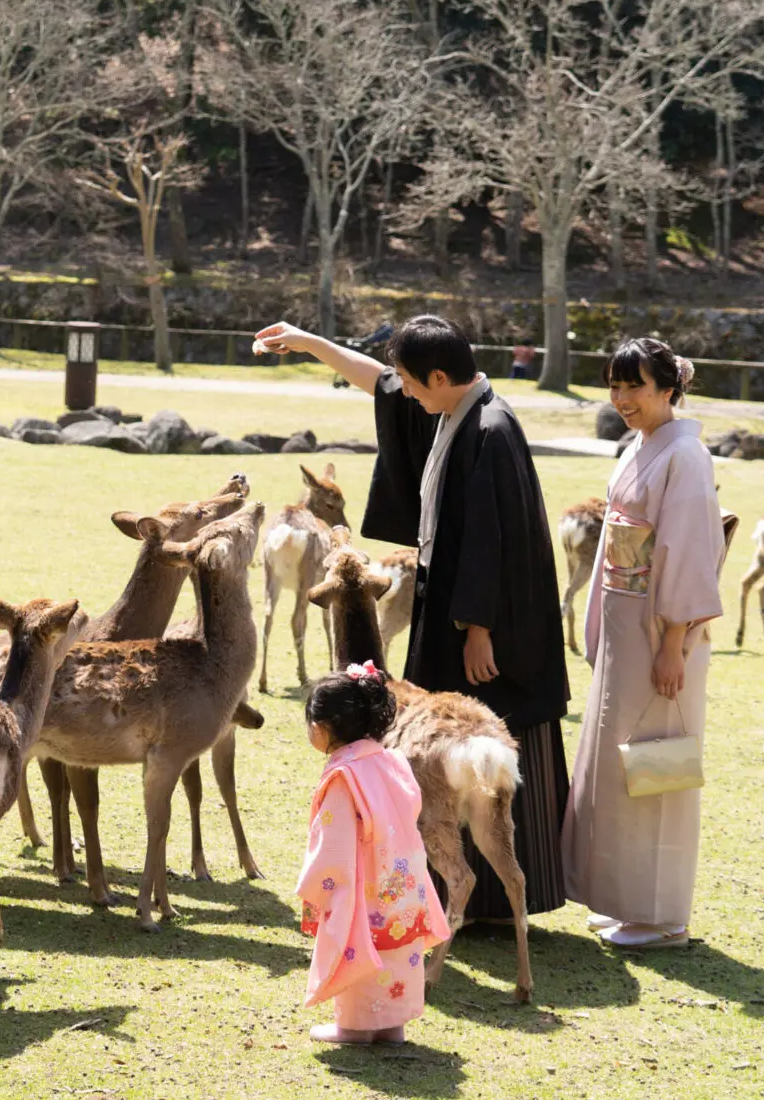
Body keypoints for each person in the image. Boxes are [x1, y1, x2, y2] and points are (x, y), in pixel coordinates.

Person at [254, 314, 572, 923]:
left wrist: (479, 628)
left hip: (489, 626)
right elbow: (382, 384)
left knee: (489, 740)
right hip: (448, 605)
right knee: (442, 750)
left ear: (439, 375)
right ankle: (454, 898)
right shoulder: (453, 409)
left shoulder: (491, 429)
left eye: (412, 381)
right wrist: (312, 343)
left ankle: (492, 907)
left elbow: (491, 540)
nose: (406, 394)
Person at [561, 339, 726, 950]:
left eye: (636, 386)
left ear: (668, 390)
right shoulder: (642, 444)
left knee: (655, 763)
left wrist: (674, 641)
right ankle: (624, 898)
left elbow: (686, 548)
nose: (623, 399)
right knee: (617, 760)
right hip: (627, 618)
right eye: (615, 386)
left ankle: (660, 915)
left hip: (659, 625)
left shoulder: (686, 455)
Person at [296, 664, 450, 1045]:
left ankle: (353, 1028)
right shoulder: (392, 761)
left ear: (322, 728)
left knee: (359, 945)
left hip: (363, 884)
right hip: (402, 881)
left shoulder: (344, 777)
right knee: (397, 951)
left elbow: (334, 843)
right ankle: (391, 1026)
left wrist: (318, 884)